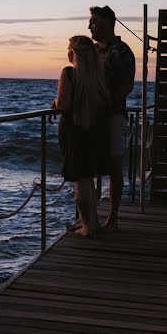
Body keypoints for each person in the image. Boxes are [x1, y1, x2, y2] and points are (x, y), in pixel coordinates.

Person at [54, 36, 111, 237]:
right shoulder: (97, 76)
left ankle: (87, 226)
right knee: (88, 180)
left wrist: (54, 101)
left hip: (76, 132)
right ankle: (90, 221)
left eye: (68, 49)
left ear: (73, 53)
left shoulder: (68, 73)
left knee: (80, 183)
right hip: (95, 131)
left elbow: (63, 104)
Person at [89, 5, 135, 230]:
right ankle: (90, 217)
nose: (90, 26)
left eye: (94, 21)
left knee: (114, 165)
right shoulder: (92, 51)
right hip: (92, 116)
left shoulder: (121, 50)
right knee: (90, 164)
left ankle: (113, 217)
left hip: (113, 116)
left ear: (107, 22)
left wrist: (112, 103)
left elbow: (128, 83)